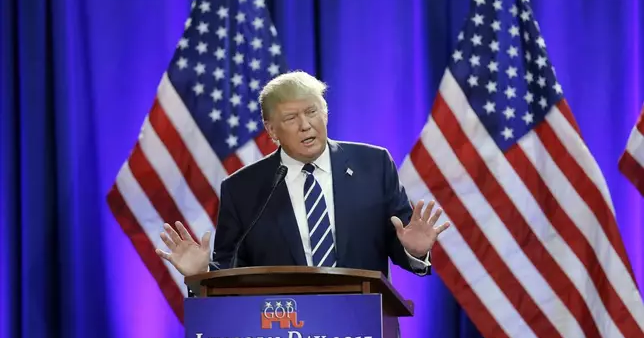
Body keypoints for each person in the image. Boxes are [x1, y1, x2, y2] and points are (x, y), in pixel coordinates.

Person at [156, 70, 450, 277]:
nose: (306, 125)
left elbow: (398, 241)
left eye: (312, 112)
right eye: (291, 118)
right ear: (272, 130)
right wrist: (203, 273)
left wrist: (415, 252)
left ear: (325, 113)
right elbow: (232, 269)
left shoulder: (373, 165)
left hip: (365, 331)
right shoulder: (243, 188)